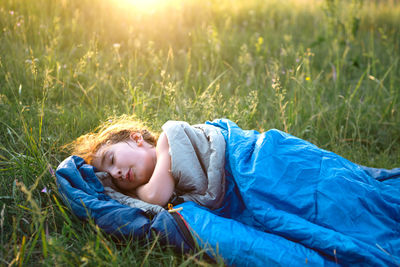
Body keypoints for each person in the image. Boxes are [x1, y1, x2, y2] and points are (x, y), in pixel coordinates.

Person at [66, 115, 400, 266]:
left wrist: (115, 191)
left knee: (335, 199)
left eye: (111, 159)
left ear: (137, 139)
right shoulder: (164, 183)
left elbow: (154, 197)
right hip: (241, 192)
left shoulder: (169, 136)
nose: (115, 172)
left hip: (260, 162)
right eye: (108, 174)